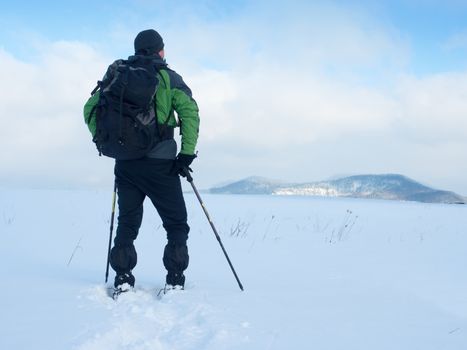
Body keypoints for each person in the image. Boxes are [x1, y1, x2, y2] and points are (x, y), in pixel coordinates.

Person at [84, 29, 200, 292]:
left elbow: (89, 108)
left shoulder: (118, 76)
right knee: (176, 223)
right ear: (160, 50)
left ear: (137, 49)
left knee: (127, 221)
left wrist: (104, 140)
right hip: (162, 164)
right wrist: (187, 153)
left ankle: (123, 278)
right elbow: (190, 113)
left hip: (126, 164)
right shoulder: (169, 78)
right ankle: (175, 279)